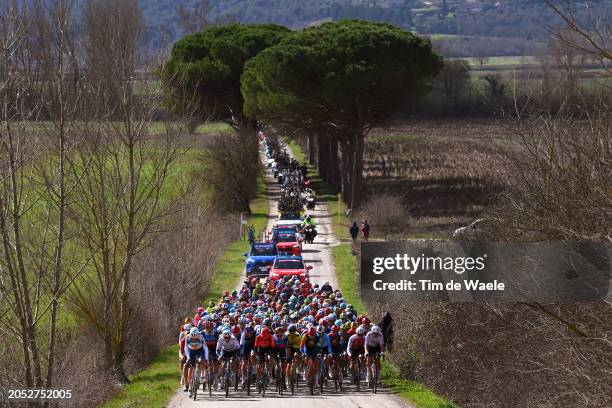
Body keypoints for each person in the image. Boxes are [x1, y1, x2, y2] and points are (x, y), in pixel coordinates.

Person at [184, 327, 209, 394]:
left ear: (198, 334)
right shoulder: (187, 337)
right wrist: (188, 357)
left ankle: (202, 376)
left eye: (196, 338)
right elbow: (186, 348)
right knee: (190, 367)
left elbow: (205, 348)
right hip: (191, 350)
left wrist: (206, 358)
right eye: (193, 338)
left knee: (202, 360)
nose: (194, 339)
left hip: (199, 350)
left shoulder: (201, 337)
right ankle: (190, 387)